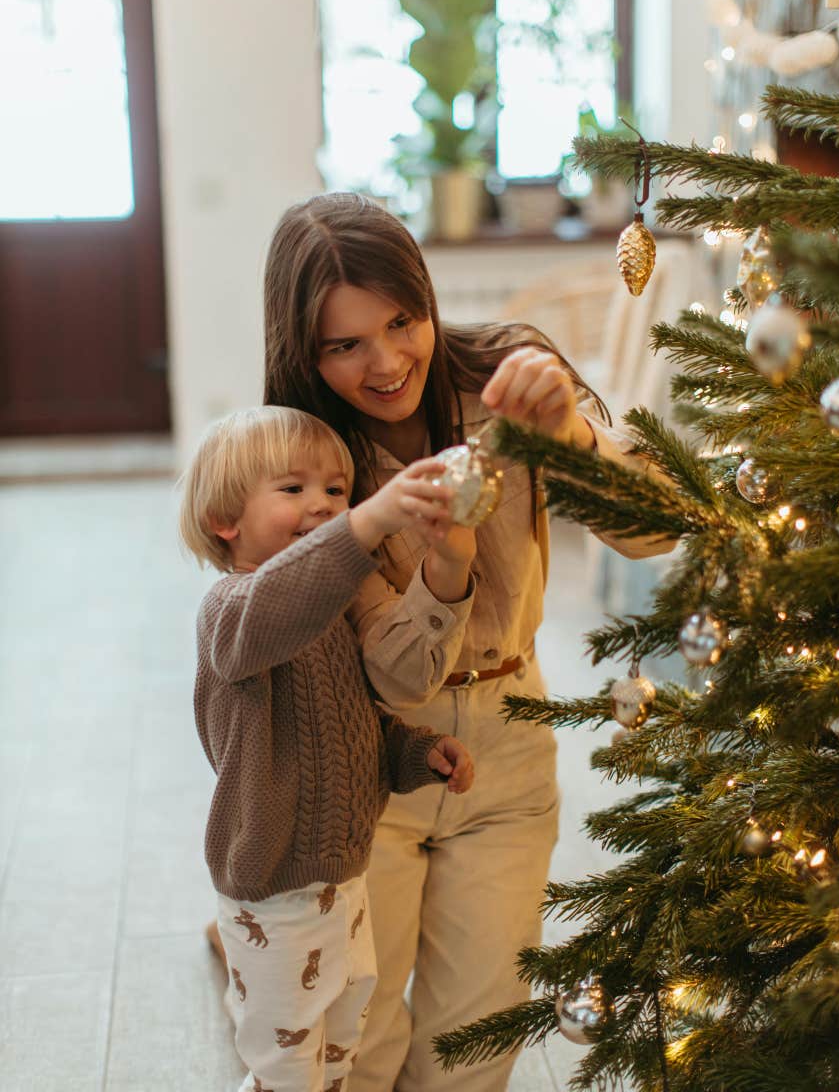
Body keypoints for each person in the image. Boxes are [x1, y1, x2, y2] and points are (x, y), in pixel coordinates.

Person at [253, 191, 674, 1091]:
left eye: (403, 320)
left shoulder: (510, 383)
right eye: (345, 344)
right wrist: (442, 556)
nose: (388, 360)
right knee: (358, 1052)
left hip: (510, 756)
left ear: (428, 296)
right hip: (371, 769)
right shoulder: (309, 465)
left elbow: (657, 529)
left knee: (469, 1058)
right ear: (303, 350)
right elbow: (396, 678)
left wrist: (567, 436)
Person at [180, 405, 475, 1092]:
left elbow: (348, 727)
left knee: (342, 1045)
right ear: (226, 518)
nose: (322, 506)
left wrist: (414, 753)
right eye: (294, 490)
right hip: (275, 889)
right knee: (284, 1066)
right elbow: (272, 612)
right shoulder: (232, 610)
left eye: (337, 492)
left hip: (343, 879)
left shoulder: (330, 615)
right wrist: (364, 523)